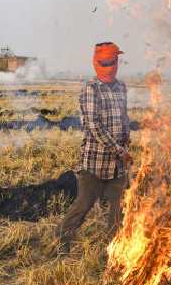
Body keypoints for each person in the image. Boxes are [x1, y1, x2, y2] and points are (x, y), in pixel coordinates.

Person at [56, 42, 132, 252]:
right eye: (104, 63)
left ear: (117, 62)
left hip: (117, 166)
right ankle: (60, 241)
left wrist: (127, 140)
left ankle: (114, 250)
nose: (109, 67)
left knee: (119, 209)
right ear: (96, 63)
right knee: (83, 205)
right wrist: (120, 150)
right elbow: (94, 127)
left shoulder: (121, 87)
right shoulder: (91, 89)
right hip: (94, 164)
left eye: (112, 62)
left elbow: (124, 118)